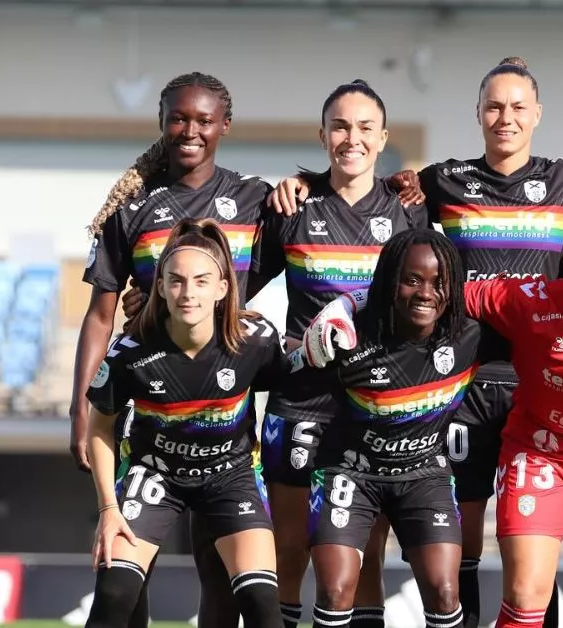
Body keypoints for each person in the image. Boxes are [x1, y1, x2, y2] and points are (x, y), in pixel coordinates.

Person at [275, 56, 563, 628]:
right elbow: (366, 181)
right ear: (478, 114)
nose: (506, 117)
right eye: (494, 106)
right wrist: (307, 183)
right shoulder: (442, 181)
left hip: (549, 385)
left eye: (518, 106)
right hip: (462, 383)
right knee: (462, 543)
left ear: (537, 114)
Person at [72, 72, 274, 628]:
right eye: (179, 118)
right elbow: (99, 316)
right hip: (154, 408)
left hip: (225, 421)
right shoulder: (131, 209)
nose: (190, 130)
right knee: (126, 580)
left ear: (224, 126)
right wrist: (77, 408)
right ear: (162, 123)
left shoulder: (256, 199)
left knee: (222, 575)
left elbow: (324, 228)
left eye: (204, 119)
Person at [250, 79, 427, 628]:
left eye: (364, 128)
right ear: (323, 134)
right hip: (300, 403)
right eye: (341, 126)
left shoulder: (408, 214)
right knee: (288, 550)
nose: (352, 138)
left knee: (365, 555)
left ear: (383, 138)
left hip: (373, 408)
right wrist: (269, 340)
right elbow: (232, 289)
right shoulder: (292, 206)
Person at [83, 218, 287, 628]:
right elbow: (100, 428)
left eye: (200, 281)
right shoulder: (129, 353)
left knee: (263, 604)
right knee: (114, 594)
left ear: (222, 288)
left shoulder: (257, 340)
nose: (188, 293)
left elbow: (288, 385)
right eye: (175, 281)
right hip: (154, 475)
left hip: (231, 476)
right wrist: (108, 508)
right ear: (160, 286)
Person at [287, 229, 483, 628]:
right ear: (391, 282)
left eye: (438, 282)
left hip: (424, 474)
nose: (426, 293)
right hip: (351, 472)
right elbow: (284, 366)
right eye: (412, 280)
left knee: (446, 593)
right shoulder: (350, 337)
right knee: (336, 591)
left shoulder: (473, 334)